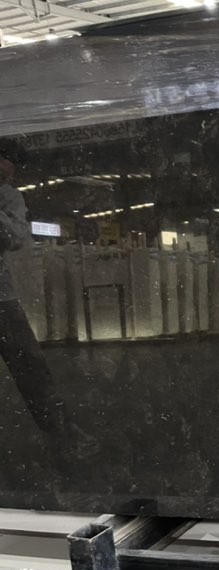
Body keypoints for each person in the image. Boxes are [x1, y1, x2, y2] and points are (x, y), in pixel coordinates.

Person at [0, 140, 96, 461]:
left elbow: (17, 238)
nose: (10, 175)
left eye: (12, 171)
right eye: (6, 167)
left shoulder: (9, 197)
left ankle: (62, 433)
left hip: (2, 300)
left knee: (31, 368)